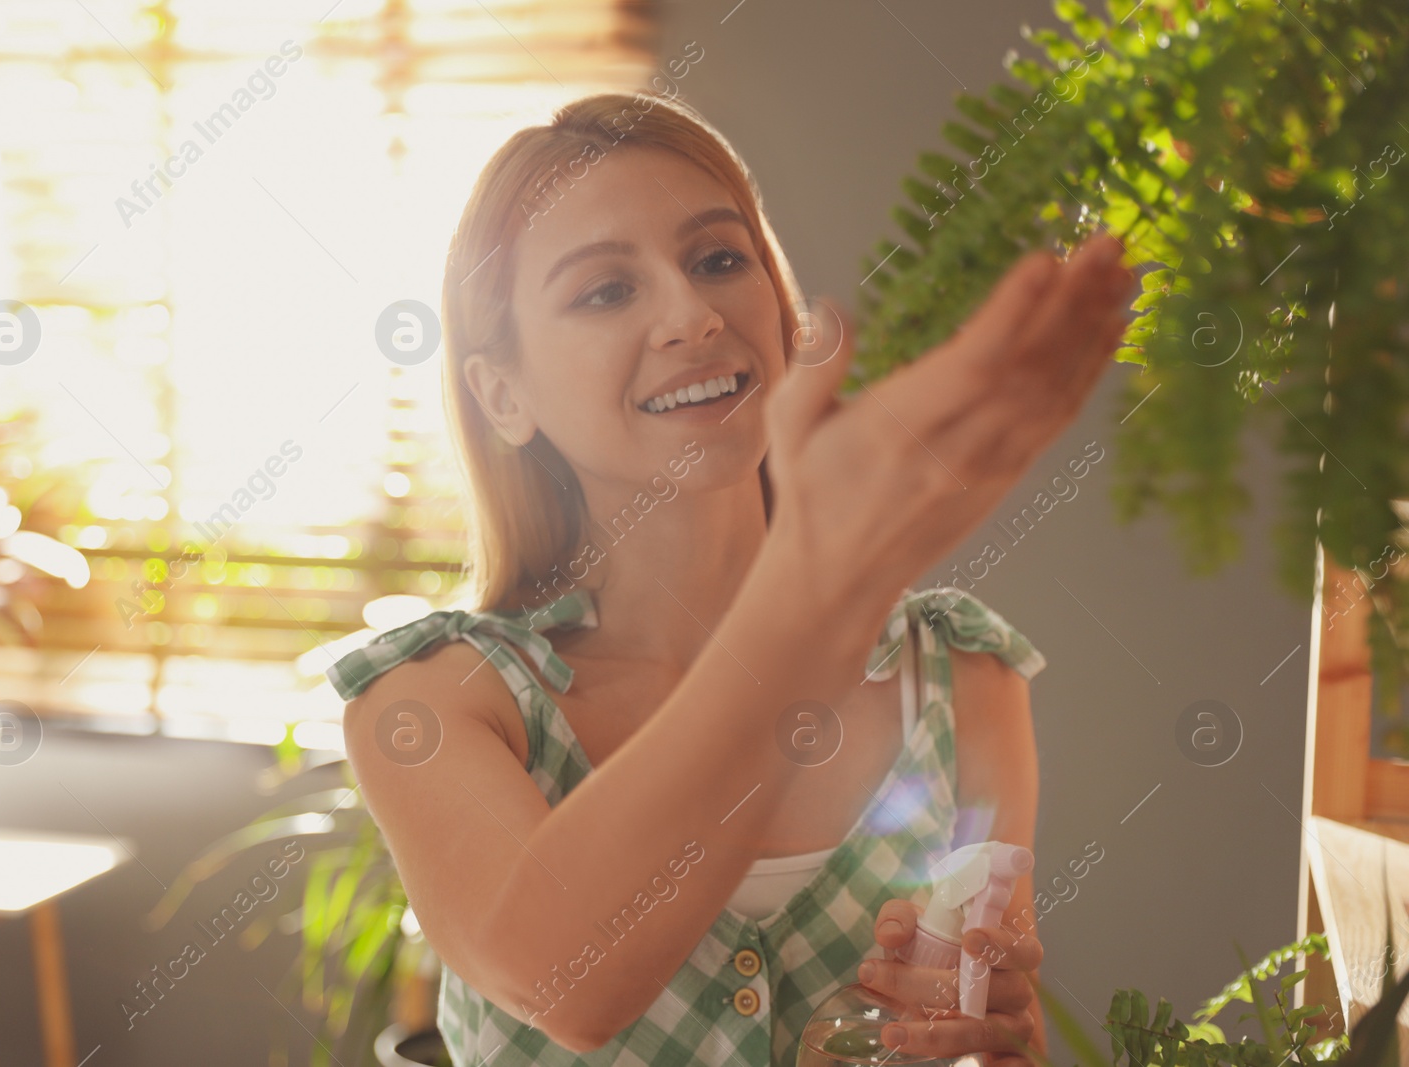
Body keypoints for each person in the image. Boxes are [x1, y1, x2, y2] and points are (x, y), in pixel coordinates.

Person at [329, 90, 1134, 1066]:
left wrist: (994, 1035)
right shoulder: (430, 704)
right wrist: (830, 571)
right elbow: (567, 987)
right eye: (604, 290)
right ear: (503, 391)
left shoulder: (966, 677)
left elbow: (993, 1034)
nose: (692, 313)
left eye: (717, 259)